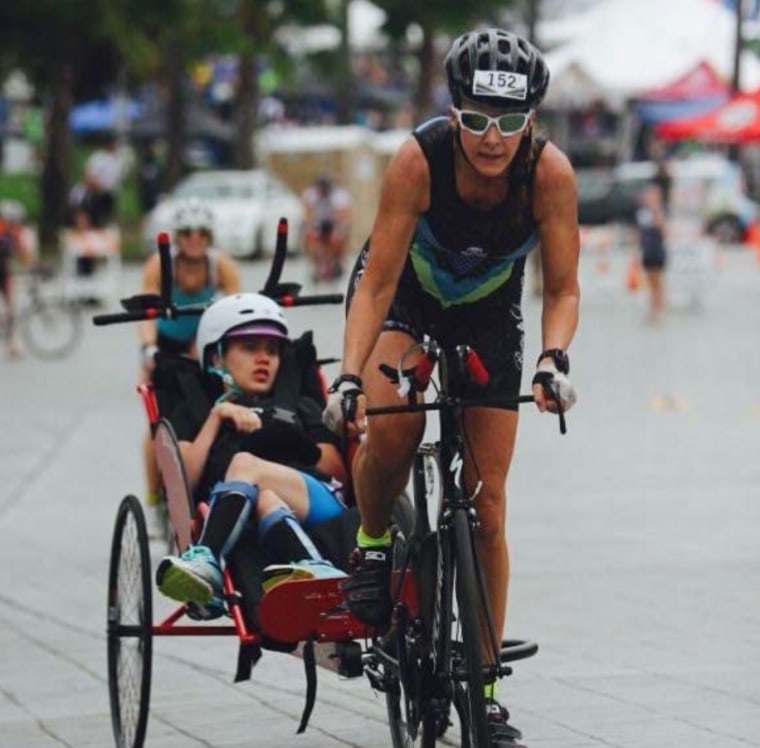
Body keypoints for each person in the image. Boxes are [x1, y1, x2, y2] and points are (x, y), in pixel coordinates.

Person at [320, 29, 580, 746]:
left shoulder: (549, 174)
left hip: (491, 314)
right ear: (454, 110)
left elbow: (562, 288)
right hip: (405, 297)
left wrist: (553, 361)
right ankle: (373, 545)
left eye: (508, 122)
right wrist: (348, 374)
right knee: (394, 425)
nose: (490, 139)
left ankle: (488, 694)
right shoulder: (418, 159)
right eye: (473, 120)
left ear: (531, 118)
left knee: (489, 505)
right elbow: (374, 283)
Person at [155, 293, 348, 617]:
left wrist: (298, 444)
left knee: (244, 466)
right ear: (217, 357)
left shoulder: (301, 405)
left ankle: (207, 562)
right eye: (250, 348)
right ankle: (315, 568)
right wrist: (217, 418)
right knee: (265, 497)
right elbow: (181, 484)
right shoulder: (197, 411)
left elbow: (338, 472)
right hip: (259, 513)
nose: (264, 359)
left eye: (272, 350)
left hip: (318, 502)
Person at [139, 198, 242, 509]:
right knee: (157, 422)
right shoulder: (160, 265)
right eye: (187, 233)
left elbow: (236, 305)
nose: (194, 239)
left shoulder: (220, 264)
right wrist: (148, 350)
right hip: (164, 346)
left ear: (210, 236)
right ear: (177, 237)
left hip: (202, 345)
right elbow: (146, 313)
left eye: (201, 233)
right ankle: (155, 494)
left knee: (206, 408)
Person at [0, 200, 36, 358]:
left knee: (10, 309)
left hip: (5, 272)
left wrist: (35, 269)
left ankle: (11, 343)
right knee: (9, 310)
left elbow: (24, 255)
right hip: (4, 271)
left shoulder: (15, 233)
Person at [301, 173, 352, 282]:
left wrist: (339, 229)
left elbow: (342, 215)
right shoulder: (311, 194)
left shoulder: (339, 195)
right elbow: (308, 213)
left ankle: (339, 262)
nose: (323, 190)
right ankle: (316, 266)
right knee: (309, 237)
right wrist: (309, 227)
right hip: (318, 223)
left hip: (334, 223)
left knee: (339, 238)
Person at [635, 180, 668, 323]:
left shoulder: (660, 210)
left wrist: (656, 210)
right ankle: (654, 306)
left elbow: (663, 229)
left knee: (657, 281)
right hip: (646, 249)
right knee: (650, 281)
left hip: (657, 249)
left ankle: (658, 307)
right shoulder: (642, 212)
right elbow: (639, 232)